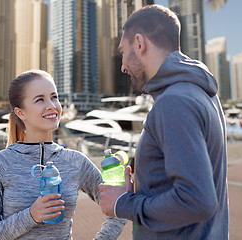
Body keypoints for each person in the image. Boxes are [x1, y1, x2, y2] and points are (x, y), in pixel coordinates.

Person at [98, 4, 229, 239]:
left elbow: (197, 200)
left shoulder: (174, 102)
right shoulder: (199, 92)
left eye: (123, 52)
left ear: (139, 43)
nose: (123, 66)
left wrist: (123, 204)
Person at [0, 69, 127, 239]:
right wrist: (31, 216)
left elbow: (119, 205)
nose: (52, 105)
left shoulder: (76, 161)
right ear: (20, 112)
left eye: (54, 97)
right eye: (40, 99)